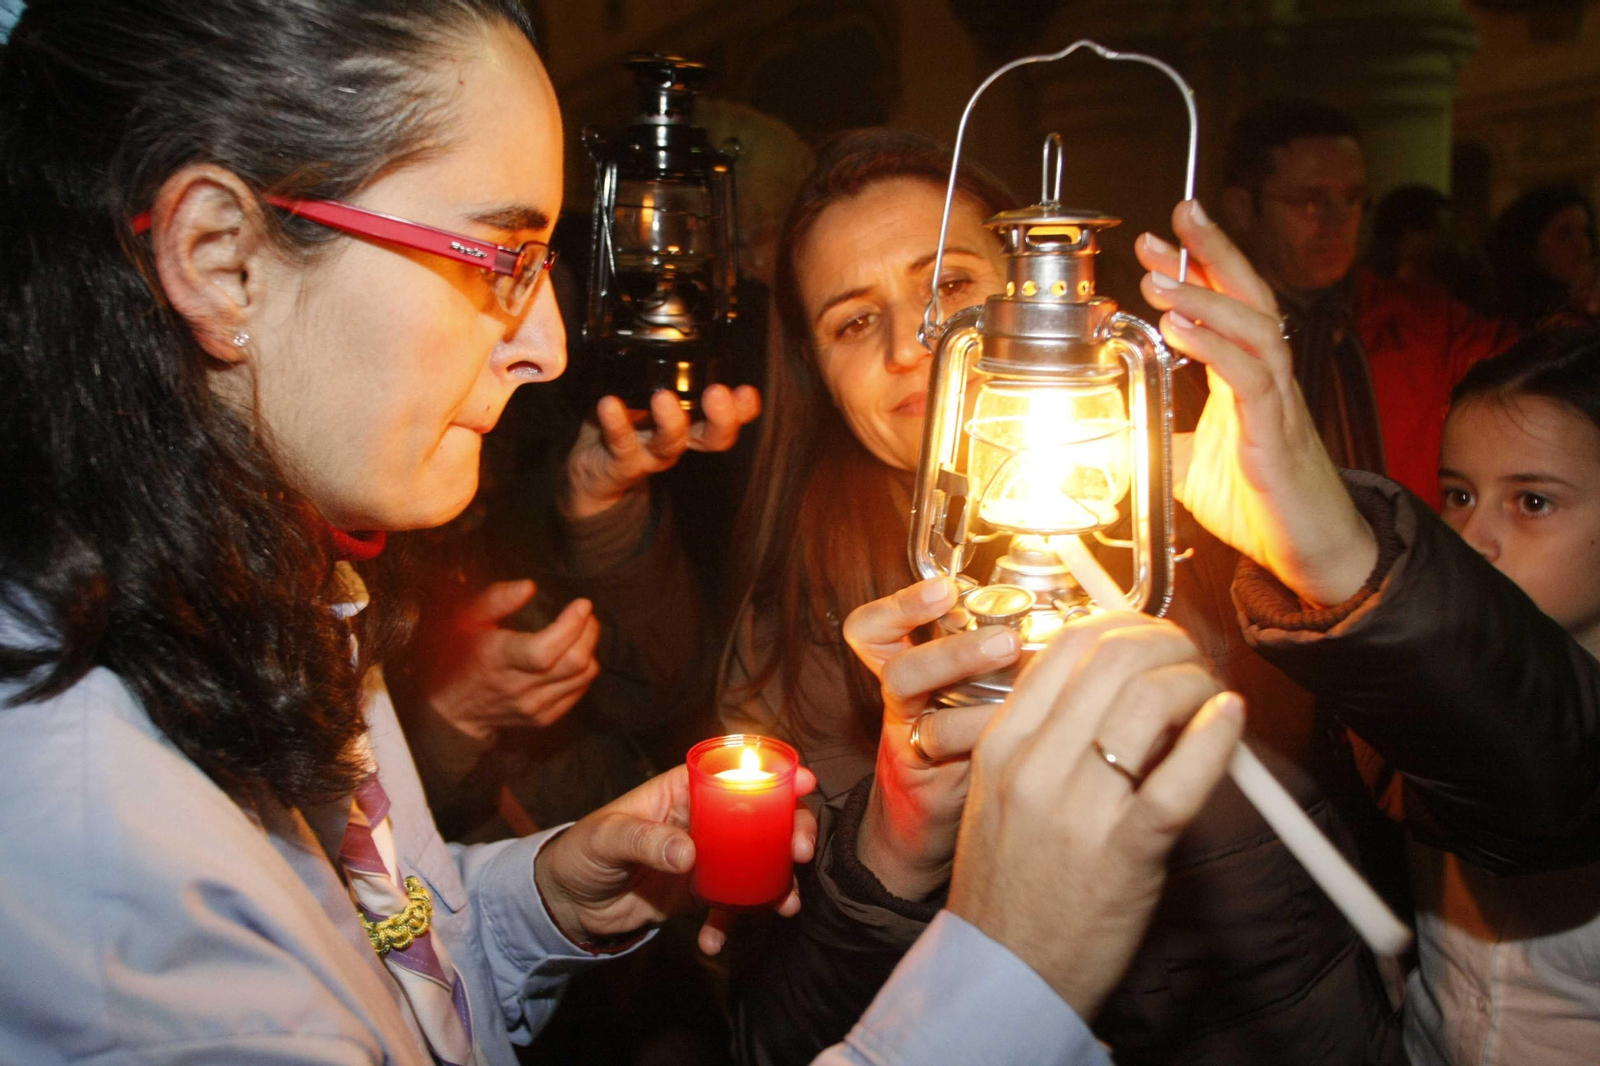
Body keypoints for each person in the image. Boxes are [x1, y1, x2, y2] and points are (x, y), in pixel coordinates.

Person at [0, 3, 1251, 1064]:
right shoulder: (102, 858)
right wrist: (1013, 966)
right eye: (496, 255)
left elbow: (379, 960)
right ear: (221, 260)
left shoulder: (261, 584)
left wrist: (538, 898)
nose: (547, 345)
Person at [721, 129, 1405, 1066]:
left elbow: (1524, 791)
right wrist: (891, 846)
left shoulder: (1227, 543)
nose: (911, 345)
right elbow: (770, 1037)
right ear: (818, 376)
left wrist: (1336, 546)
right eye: (851, 321)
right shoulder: (796, 635)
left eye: (949, 286)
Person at [1134, 208, 1600, 1066]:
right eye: (1457, 495)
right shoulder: (1420, 706)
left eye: (1533, 501)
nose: (1478, 539)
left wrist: (1333, 542)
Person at [1217, 98, 1517, 510]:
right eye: (1309, 201)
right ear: (1241, 208)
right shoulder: (1198, 339)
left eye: (1352, 199)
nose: (1337, 221)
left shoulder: (1418, 320)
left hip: (1410, 569)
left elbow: (1532, 364)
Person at [1487, 182, 1600, 329]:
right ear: (1529, 248)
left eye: (1586, 233)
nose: (1583, 245)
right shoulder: (1506, 324)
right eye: (1565, 234)